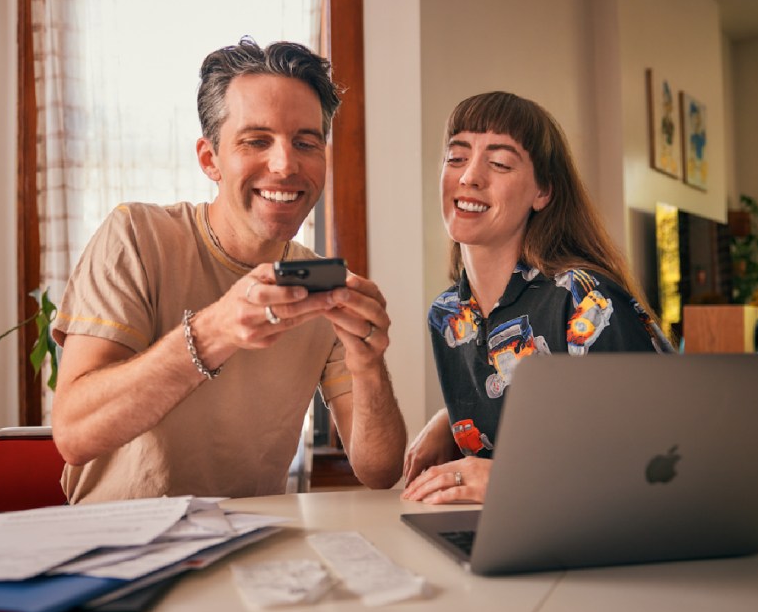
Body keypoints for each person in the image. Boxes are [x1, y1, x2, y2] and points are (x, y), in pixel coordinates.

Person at [50, 38, 406, 503]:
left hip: (251, 544)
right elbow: (74, 435)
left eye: (306, 142)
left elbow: (379, 471)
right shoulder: (136, 236)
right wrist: (216, 330)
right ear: (209, 159)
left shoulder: (322, 282)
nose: (285, 164)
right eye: (257, 141)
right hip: (118, 547)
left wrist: (369, 363)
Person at [401, 91, 673, 505]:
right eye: (456, 157)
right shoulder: (448, 315)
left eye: (499, 163)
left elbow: (653, 465)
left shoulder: (583, 299)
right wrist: (452, 420)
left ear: (542, 191)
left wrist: (509, 480)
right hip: (512, 535)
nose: (469, 176)